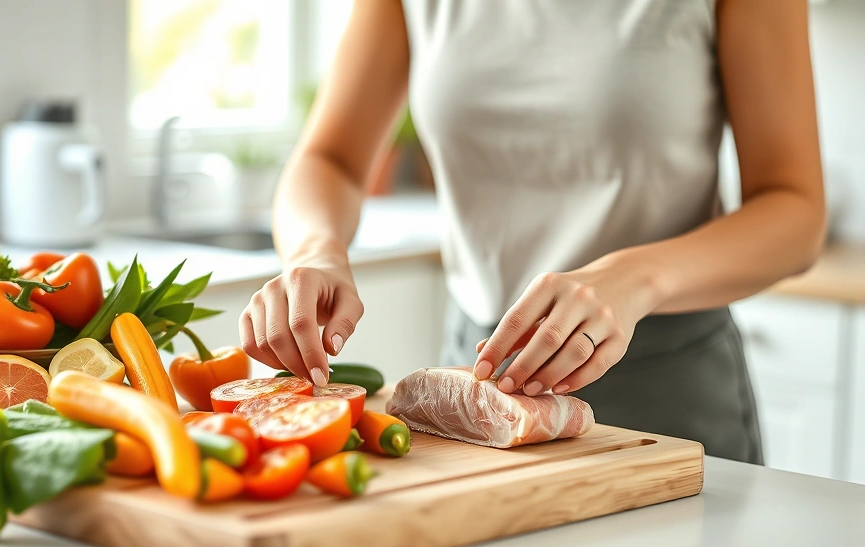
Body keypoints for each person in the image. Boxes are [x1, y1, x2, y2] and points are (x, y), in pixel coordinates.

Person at [239, 0, 825, 464]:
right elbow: (332, 160)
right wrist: (316, 252)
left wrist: (632, 277)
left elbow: (795, 209)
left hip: (665, 391)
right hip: (474, 382)